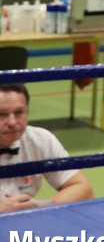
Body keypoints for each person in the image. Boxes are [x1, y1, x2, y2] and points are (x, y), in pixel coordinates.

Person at [0, 84, 93, 214]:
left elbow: (84, 189)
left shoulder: (40, 139)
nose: (12, 122)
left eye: (19, 113)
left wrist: (41, 206)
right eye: (1, 115)